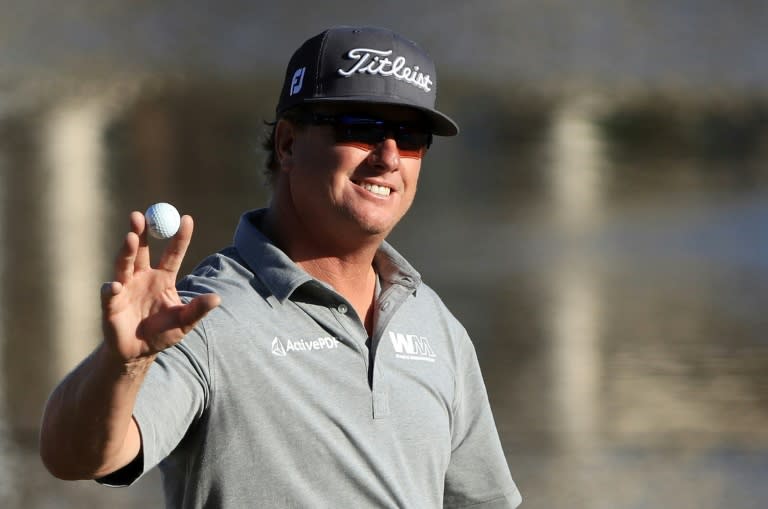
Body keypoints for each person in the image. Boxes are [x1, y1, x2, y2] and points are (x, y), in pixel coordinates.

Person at [39, 25, 522, 508]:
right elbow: (76, 457)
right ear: (288, 144)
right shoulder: (202, 316)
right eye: (361, 127)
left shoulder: (436, 325)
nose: (390, 156)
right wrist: (123, 365)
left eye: (411, 136)